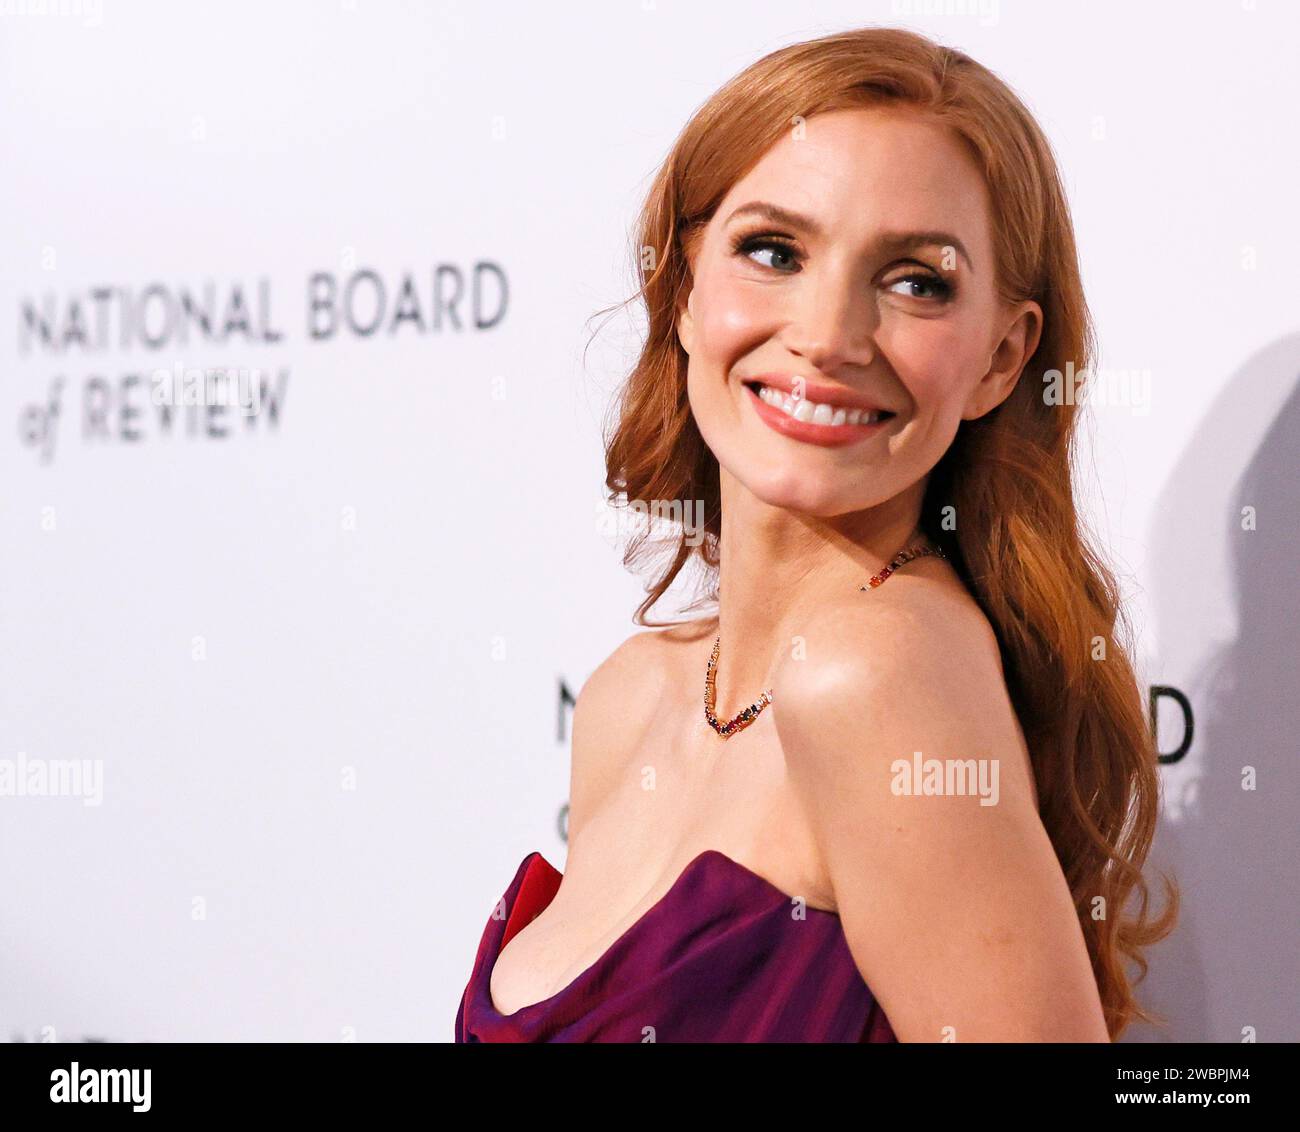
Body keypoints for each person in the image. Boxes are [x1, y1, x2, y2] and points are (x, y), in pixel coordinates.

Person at [456, 25, 1178, 1043]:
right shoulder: (633, 696)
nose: (828, 335)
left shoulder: (875, 671)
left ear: (1001, 359)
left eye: (915, 281)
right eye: (773, 251)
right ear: (684, 285)